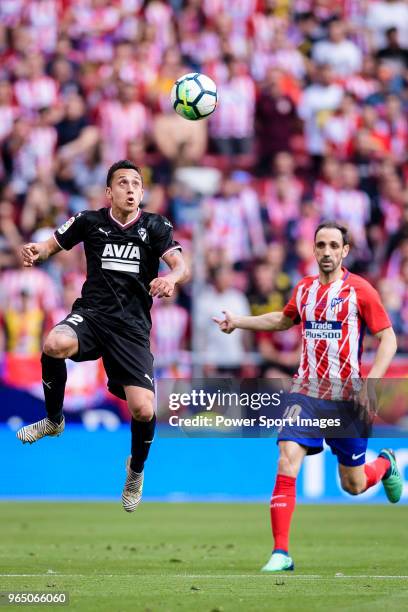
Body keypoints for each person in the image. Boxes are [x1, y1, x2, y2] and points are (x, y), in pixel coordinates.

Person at [213, 221, 402, 572]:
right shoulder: (303, 290)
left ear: (345, 251)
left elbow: (388, 338)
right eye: (321, 245)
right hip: (306, 393)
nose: (327, 252)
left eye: (334, 246)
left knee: (354, 484)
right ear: (313, 250)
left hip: (349, 398)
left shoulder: (361, 290)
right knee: (287, 459)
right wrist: (238, 321)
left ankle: (386, 464)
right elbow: (282, 321)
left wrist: (371, 382)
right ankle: (280, 553)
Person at [16, 159, 189, 513]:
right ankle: (53, 420)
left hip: (132, 330)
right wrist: (37, 250)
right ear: (109, 192)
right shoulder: (89, 221)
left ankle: (136, 471)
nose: (130, 189)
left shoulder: (155, 226)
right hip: (93, 316)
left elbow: (181, 265)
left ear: (142, 192)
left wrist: (171, 279)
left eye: (136, 184)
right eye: (122, 183)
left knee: (143, 410)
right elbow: (51, 245)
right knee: (53, 344)